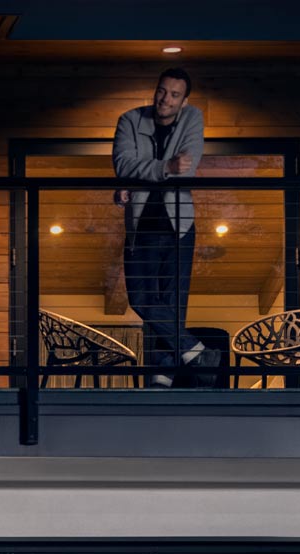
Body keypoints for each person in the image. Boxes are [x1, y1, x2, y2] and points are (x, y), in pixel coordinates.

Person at [113, 68, 205, 386]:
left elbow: (187, 169)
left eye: (174, 95)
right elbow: (123, 164)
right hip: (143, 225)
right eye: (162, 91)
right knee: (140, 297)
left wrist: (138, 177)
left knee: (173, 303)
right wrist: (165, 167)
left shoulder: (193, 118)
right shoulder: (129, 120)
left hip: (180, 224)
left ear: (184, 100)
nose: (165, 99)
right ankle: (195, 349)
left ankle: (162, 375)